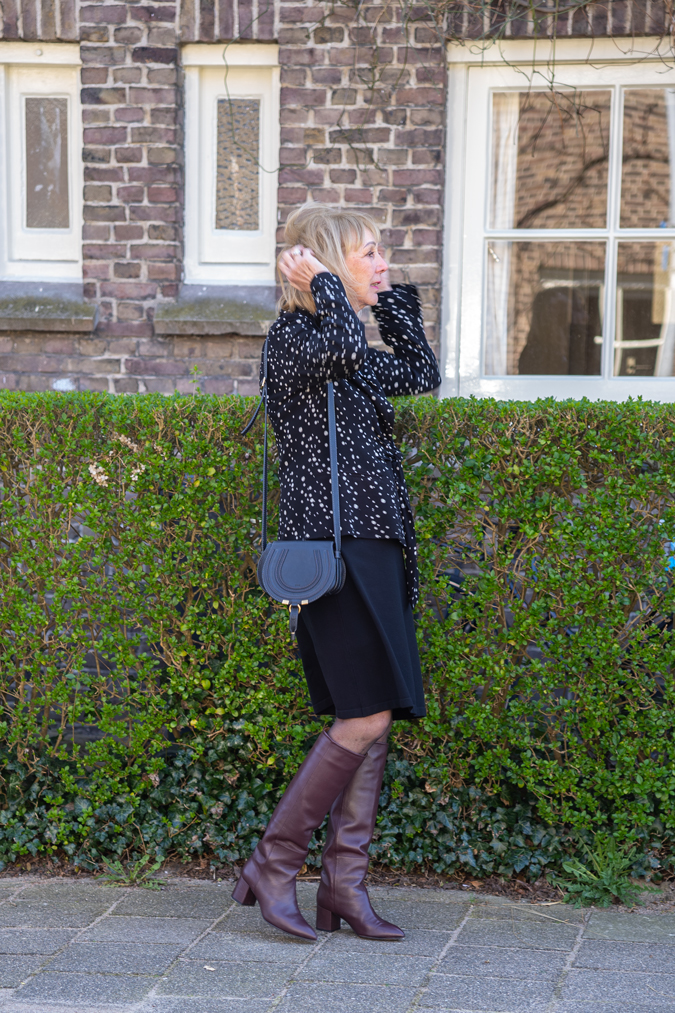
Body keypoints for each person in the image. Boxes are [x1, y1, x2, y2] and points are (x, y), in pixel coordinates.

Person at [232, 202, 441, 942]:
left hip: (376, 544)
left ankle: (343, 886)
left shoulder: (344, 345)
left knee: (375, 712)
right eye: (370, 254)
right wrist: (326, 288)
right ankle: (272, 863)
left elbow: (419, 372)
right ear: (322, 262)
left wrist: (385, 299)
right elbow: (343, 344)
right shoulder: (296, 340)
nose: (384, 262)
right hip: (334, 551)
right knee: (362, 715)